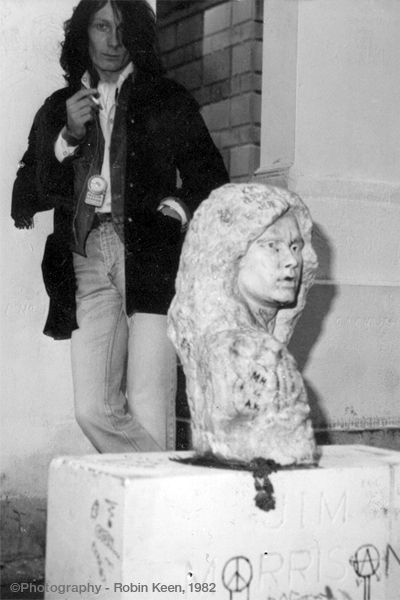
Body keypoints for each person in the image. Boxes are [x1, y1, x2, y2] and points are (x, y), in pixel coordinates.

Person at [11, 0, 229, 454]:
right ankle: (165, 492)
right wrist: (67, 137)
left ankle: (157, 518)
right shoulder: (59, 107)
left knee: (150, 402)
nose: (113, 41)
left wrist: (175, 208)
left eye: (123, 29)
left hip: (150, 256)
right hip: (86, 258)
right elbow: (27, 191)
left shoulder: (166, 98)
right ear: (83, 34)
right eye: (101, 27)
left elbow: (210, 176)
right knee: (93, 409)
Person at [168, 183, 318, 465]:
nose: (291, 261)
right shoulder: (248, 351)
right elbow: (292, 452)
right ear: (231, 255)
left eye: (295, 246)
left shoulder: (237, 342)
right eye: (272, 246)